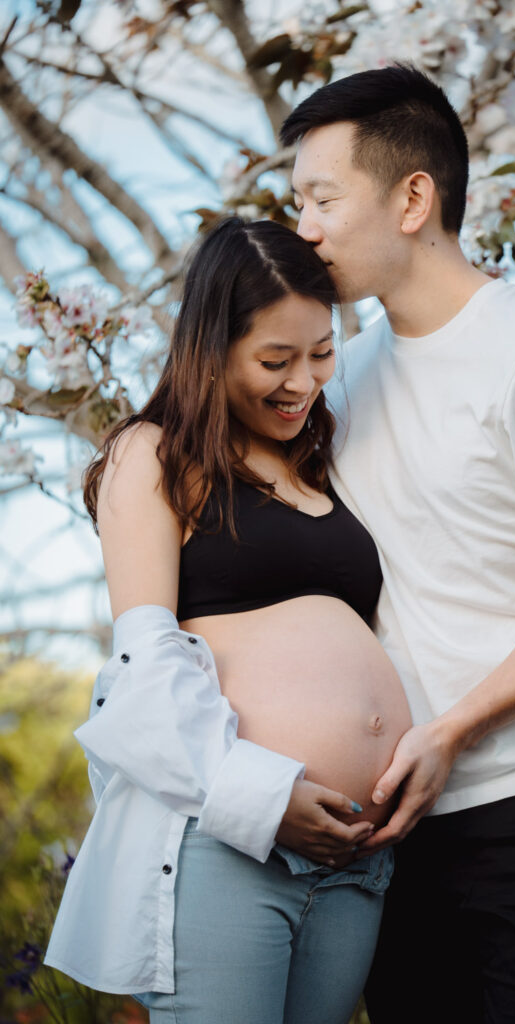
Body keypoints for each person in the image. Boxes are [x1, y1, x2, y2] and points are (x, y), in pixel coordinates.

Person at [280, 64, 515, 1024]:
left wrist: (453, 729)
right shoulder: (339, 382)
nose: (304, 229)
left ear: (413, 197)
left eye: (321, 198)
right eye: (296, 203)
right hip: (391, 834)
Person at [44, 216, 412, 1024]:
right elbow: (142, 673)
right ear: (209, 349)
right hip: (232, 845)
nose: (302, 382)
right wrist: (265, 797)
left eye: (320, 353)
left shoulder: (319, 461)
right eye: (274, 360)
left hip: (354, 859)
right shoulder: (156, 454)